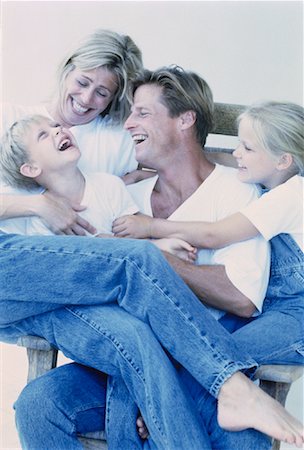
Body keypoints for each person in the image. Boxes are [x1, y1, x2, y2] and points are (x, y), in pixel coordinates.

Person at [1, 67, 303, 448]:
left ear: (185, 120)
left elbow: (241, 298)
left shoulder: (236, 192)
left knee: (235, 431)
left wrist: (150, 254)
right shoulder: (128, 197)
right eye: (128, 113)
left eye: (142, 112)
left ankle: (216, 395)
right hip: (118, 355)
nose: (127, 123)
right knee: (38, 403)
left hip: (194, 359)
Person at [0, 28, 149, 236]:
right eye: (82, 82)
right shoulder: (7, 118)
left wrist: (122, 188)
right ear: (68, 70)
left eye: (101, 93)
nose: (86, 98)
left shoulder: (117, 139)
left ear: (111, 100)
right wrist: (39, 205)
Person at [0, 114, 195, 260]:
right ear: (32, 168)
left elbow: (133, 239)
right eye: (43, 135)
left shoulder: (109, 185)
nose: (58, 130)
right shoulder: (42, 218)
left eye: (56, 125)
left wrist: (161, 245)